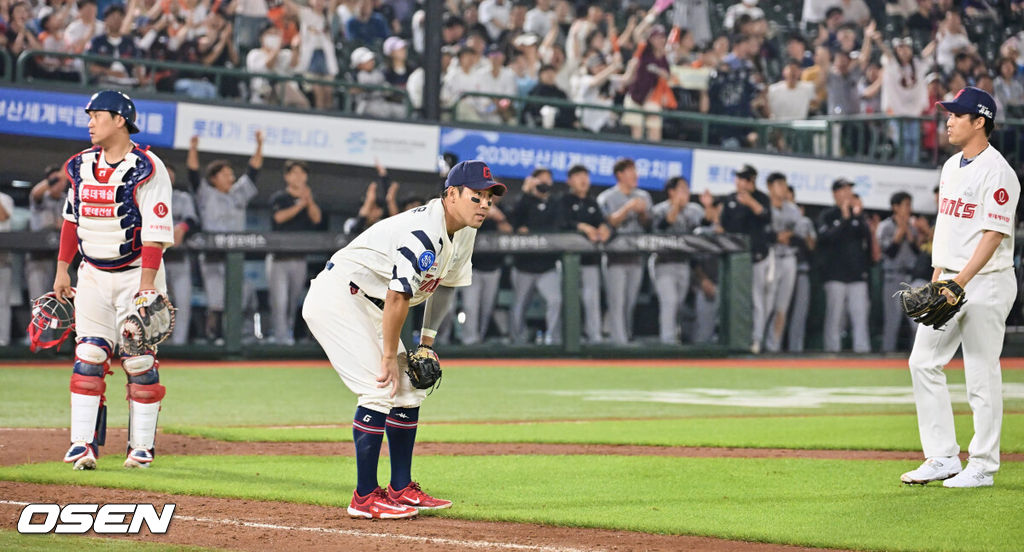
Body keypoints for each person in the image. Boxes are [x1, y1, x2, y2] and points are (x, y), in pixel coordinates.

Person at [302, 160, 506, 518]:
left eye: (490, 197)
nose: (485, 204)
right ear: (452, 194)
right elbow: (398, 297)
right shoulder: (423, 233)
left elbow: (446, 287)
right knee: (381, 386)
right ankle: (364, 497)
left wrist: (426, 342)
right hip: (340, 297)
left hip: (374, 304)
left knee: (410, 391)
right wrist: (386, 357)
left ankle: (400, 488)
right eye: (477, 196)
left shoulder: (466, 229)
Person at [901, 88, 1019, 488]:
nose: (948, 120)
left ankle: (983, 465)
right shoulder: (952, 165)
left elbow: (992, 234)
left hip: (985, 282)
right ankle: (942, 456)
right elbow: (947, 227)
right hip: (950, 278)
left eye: (956, 114)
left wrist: (959, 281)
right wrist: (938, 278)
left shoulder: (998, 172)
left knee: (980, 374)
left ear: (979, 120)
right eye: (948, 113)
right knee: (923, 361)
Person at [54, 90, 174, 470]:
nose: (90, 122)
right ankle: (82, 444)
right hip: (91, 273)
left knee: (138, 361)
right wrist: (62, 268)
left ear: (119, 119)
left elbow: (155, 232)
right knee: (88, 356)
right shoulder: (79, 166)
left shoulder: (148, 167)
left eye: (97, 115)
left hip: (137, 273)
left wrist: (148, 285)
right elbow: (71, 220)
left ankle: (141, 448)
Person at [191, 133, 263, 343]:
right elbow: (193, 174)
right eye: (225, 174)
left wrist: (259, 145)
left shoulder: (238, 192)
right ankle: (213, 338)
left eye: (231, 174)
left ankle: (241, 337)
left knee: (241, 298)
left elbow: (253, 172)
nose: (231, 177)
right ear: (214, 178)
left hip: (234, 256)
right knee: (216, 302)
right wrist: (193, 149)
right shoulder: (206, 194)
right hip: (212, 255)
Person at [717, 164, 771, 353]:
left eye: (743, 179)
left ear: (751, 181)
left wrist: (751, 203)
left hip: (757, 256)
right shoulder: (731, 198)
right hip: (735, 258)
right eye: (738, 178)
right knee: (735, 298)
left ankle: (756, 339)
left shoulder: (762, 198)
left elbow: (767, 218)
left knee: (757, 300)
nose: (739, 182)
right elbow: (723, 225)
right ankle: (734, 339)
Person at [597, 158, 652, 345]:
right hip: (614, 256)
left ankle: (625, 337)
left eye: (635, 171)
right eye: (631, 171)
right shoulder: (607, 197)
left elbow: (649, 225)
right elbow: (607, 223)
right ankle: (618, 342)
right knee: (616, 302)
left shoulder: (643, 196)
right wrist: (628, 208)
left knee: (630, 302)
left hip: (636, 255)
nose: (635, 175)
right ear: (620, 174)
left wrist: (642, 213)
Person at [267, 160, 322, 345]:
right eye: (295, 173)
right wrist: (300, 204)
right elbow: (278, 218)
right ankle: (280, 339)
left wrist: (309, 201)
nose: (299, 177)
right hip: (278, 258)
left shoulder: (309, 199)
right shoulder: (280, 197)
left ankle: (287, 336)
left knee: (293, 301)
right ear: (287, 176)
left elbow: (317, 219)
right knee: (279, 302)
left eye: (302, 173)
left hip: (299, 257)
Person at [817, 178, 872, 353]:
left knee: (860, 317)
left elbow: (868, 242)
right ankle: (832, 352)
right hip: (835, 274)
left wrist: (857, 216)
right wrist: (845, 218)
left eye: (849, 190)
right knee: (834, 318)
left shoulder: (859, 216)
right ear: (836, 193)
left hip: (857, 274)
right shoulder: (828, 215)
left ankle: (862, 351)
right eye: (844, 190)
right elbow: (825, 239)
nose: (848, 193)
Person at [556, 164, 610, 344]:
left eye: (586, 176)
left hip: (590, 259)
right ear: (569, 180)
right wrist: (583, 227)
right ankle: (563, 339)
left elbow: (601, 222)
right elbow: (561, 223)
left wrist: (603, 228)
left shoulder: (592, 202)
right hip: (566, 260)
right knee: (565, 300)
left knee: (591, 299)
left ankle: (594, 337)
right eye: (578, 176)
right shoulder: (563, 200)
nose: (583, 180)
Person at [509, 168, 561, 344]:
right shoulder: (525, 201)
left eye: (547, 180)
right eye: (541, 180)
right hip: (524, 265)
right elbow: (513, 220)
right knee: (519, 305)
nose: (544, 184)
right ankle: (517, 340)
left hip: (547, 265)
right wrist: (526, 191)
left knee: (555, 301)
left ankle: (552, 339)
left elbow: (558, 225)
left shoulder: (555, 203)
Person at [650, 176, 704, 345]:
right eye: (681, 189)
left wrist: (709, 208)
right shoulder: (659, 209)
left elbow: (705, 227)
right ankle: (668, 341)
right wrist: (675, 205)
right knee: (670, 302)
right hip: (663, 261)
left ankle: (675, 336)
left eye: (687, 189)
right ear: (671, 192)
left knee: (679, 304)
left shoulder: (694, 210)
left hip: (684, 263)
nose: (686, 193)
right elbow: (661, 227)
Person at [876, 192, 920, 352]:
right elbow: (888, 252)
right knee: (892, 320)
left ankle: (918, 355)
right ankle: (887, 354)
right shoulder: (885, 226)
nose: (909, 208)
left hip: (910, 278)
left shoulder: (912, 227)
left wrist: (908, 232)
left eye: (909, 204)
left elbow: (917, 252)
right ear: (895, 207)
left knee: (917, 321)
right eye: (906, 205)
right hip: (892, 277)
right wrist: (900, 232)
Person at [764, 173, 802, 353]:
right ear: (770, 186)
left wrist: (782, 236)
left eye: (784, 184)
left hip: (788, 259)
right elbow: (765, 235)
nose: (783, 188)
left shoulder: (792, 209)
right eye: (779, 184)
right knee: (766, 304)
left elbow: (797, 235)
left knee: (782, 307)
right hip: (769, 258)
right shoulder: (764, 208)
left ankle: (773, 347)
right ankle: (757, 341)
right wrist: (780, 236)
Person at [165, 165, 200, 346]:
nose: (167, 179)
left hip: (179, 257)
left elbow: (192, 220)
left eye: (170, 176)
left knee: (183, 303)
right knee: (152, 304)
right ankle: (151, 344)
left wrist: (183, 227)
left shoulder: (182, 197)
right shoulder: (145, 195)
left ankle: (179, 344)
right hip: (156, 260)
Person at [26, 165, 68, 302]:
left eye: (60, 180)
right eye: (53, 180)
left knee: (59, 301)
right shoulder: (41, 197)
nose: (57, 183)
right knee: (39, 299)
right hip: (38, 254)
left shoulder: (67, 199)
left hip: (60, 256)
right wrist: (55, 178)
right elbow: (35, 193)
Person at [0, 188, 13, 347]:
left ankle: (3, 339)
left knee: (2, 301)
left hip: (2, 258)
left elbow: (3, 216)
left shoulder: (5, 198)